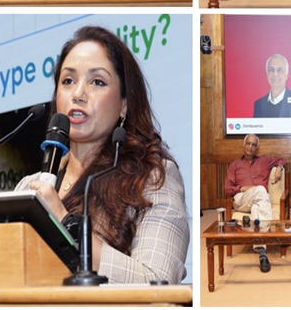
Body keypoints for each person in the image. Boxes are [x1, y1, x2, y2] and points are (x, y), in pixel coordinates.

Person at [19, 25, 189, 284]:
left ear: (124, 105)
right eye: (68, 81)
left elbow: (158, 282)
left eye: (97, 82)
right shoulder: (28, 187)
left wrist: (65, 224)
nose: (78, 94)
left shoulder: (153, 178)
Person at [223, 134, 284, 272]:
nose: (250, 147)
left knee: (258, 207)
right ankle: (273, 236)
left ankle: (262, 252)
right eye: (248, 143)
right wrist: (242, 188)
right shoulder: (234, 165)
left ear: (257, 148)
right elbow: (227, 189)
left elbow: (281, 160)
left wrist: (279, 168)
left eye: (254, 145)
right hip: (242, 199)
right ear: (244, 145)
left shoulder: (264, 161)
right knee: (261, 190)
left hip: (260, 200)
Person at [254, 54, 291, 118]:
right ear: (267, 74)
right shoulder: (258, 104)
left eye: (280, 70)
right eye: (271, 70)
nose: (275, 74)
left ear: (286, 75)